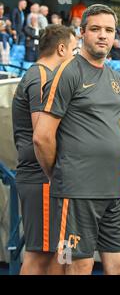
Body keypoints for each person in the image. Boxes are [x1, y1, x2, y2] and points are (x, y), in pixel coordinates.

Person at [33, 4, 120, 275]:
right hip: (76, 190)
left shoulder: (114, 77)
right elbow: (42, 137)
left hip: (111, 190)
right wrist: (60, 173)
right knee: (78, 265)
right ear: (82, 32)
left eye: (109, 30)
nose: (103, 35)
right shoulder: (67, 72)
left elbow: (117, 125)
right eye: (96, 29)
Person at [12, 25, 77, 275]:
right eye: (73, 50)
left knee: (59, 254)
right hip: (43, 177)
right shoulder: (41, 76)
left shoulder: (41, 75)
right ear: (61, 49)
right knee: (40, 255)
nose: (75, 57)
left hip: (48, 179)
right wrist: (54, 174)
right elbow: (42, 134)